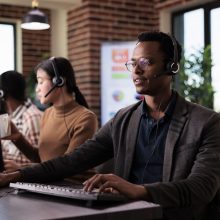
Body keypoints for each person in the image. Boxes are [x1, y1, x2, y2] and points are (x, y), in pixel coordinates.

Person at [1, 32, 220, 220]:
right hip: (126, 215)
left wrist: (139, 191)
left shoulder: (207, 123)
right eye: (133, 64)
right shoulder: (123, 119)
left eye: (146, 62)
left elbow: (202, 188)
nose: (136, 70)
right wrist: (16, 176)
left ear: (172, 67)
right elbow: (72, 161)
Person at [1, 57, 98, 183]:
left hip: (75, 189)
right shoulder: (47, 113)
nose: (37, 89)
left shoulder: (85, 118)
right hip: (50, 186)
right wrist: (18, 138)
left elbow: (67, 167)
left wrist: (20, 169)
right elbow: (42, 159)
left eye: (41, 82)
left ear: (59, 81)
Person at [0, 71, 42, 172]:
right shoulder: (8, 117)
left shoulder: (32, 117)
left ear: (1, 93)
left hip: (25, 179)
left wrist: (20, 168)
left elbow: (41, 160)